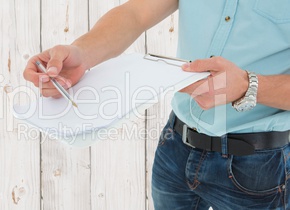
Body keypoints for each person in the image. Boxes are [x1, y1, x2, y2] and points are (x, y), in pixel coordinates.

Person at [24, 0, 290, 209]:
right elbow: (136, 13)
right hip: (175, 145)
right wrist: (82, 53)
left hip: (258, 165)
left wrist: (247, 85)